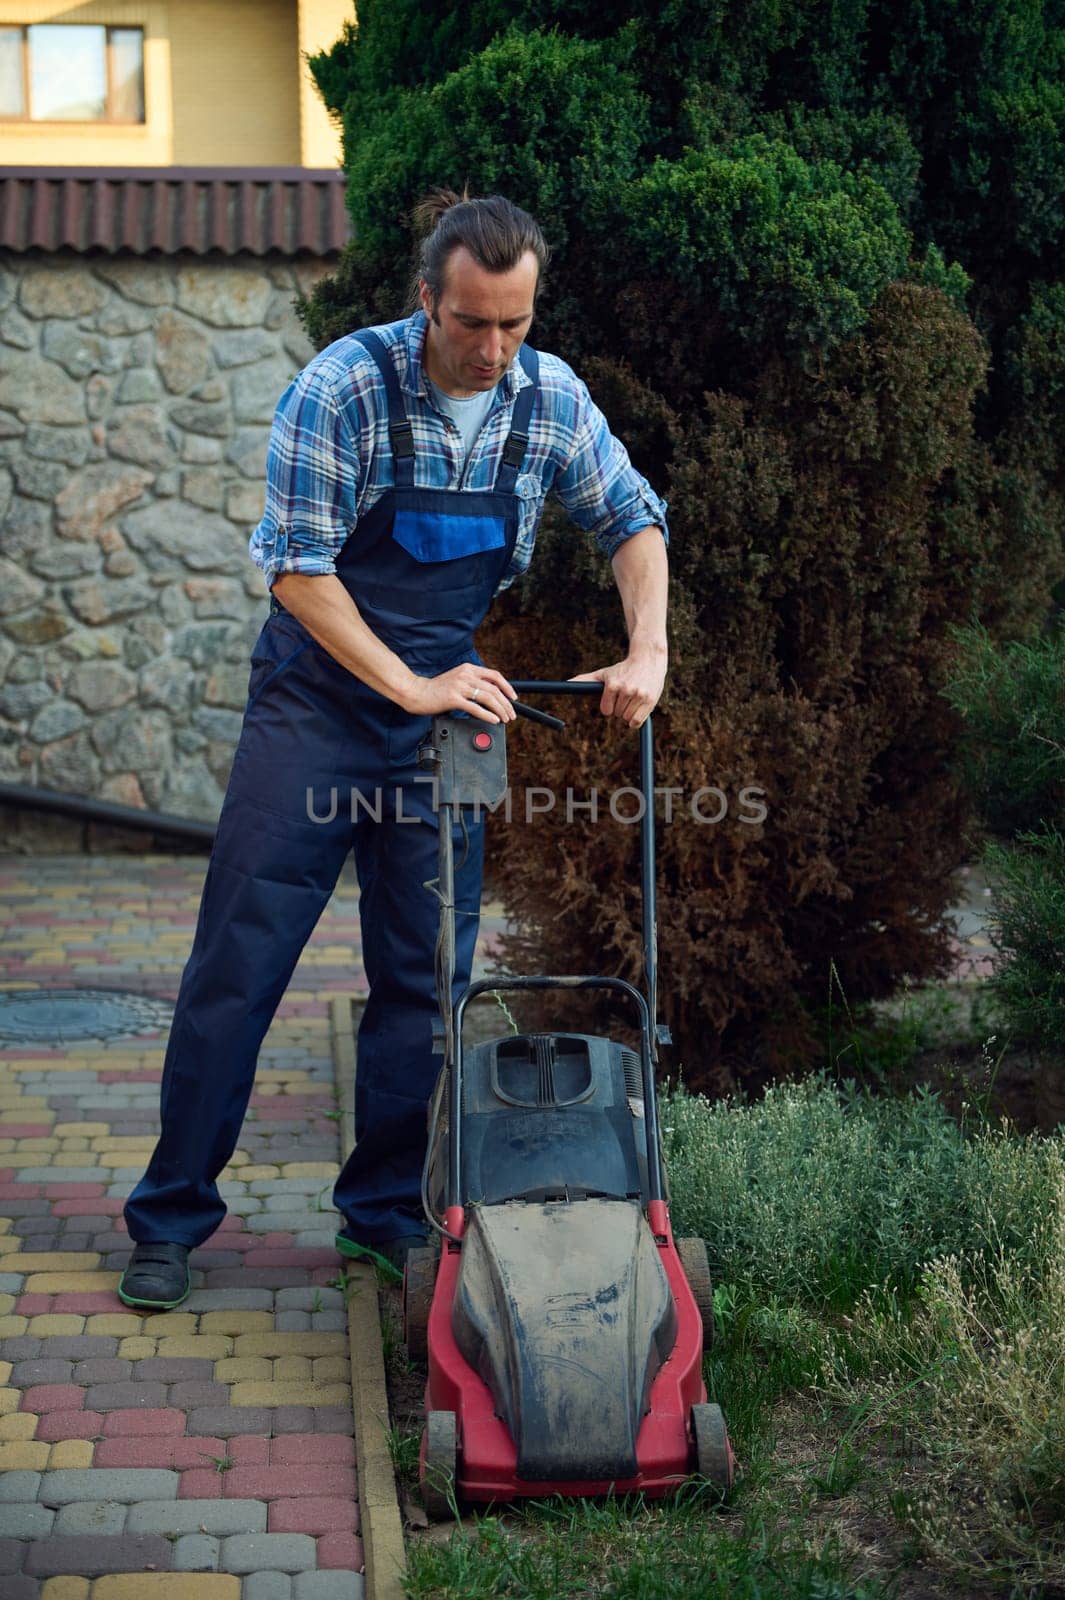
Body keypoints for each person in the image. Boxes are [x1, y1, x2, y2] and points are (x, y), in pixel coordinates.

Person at [117, 190, 670, 1310]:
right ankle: (169, 1215)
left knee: (427, 985)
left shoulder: (547, 399)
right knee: (240, 967)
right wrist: (413, 685)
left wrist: (646, 646)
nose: (493, 348)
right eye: (472, 321)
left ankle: (379, 1219)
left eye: (513, 323)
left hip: (440, 724)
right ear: (429, 298)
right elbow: (299, 573)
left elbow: (632, 517)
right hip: (314, 709)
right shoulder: (343, 388)